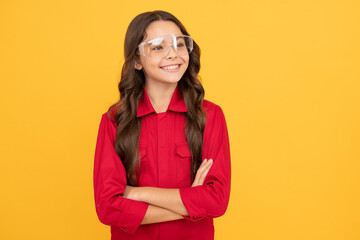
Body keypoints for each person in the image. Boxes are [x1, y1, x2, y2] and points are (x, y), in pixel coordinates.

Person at [93, 10, 231, 240]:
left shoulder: (210, 115)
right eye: (158, 47)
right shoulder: (114, 121)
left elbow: (216, 201)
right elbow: (108, 208)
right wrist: (190, 202)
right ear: (136, 60)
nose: (173, 54)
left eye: (179, 44)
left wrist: (136, 194)